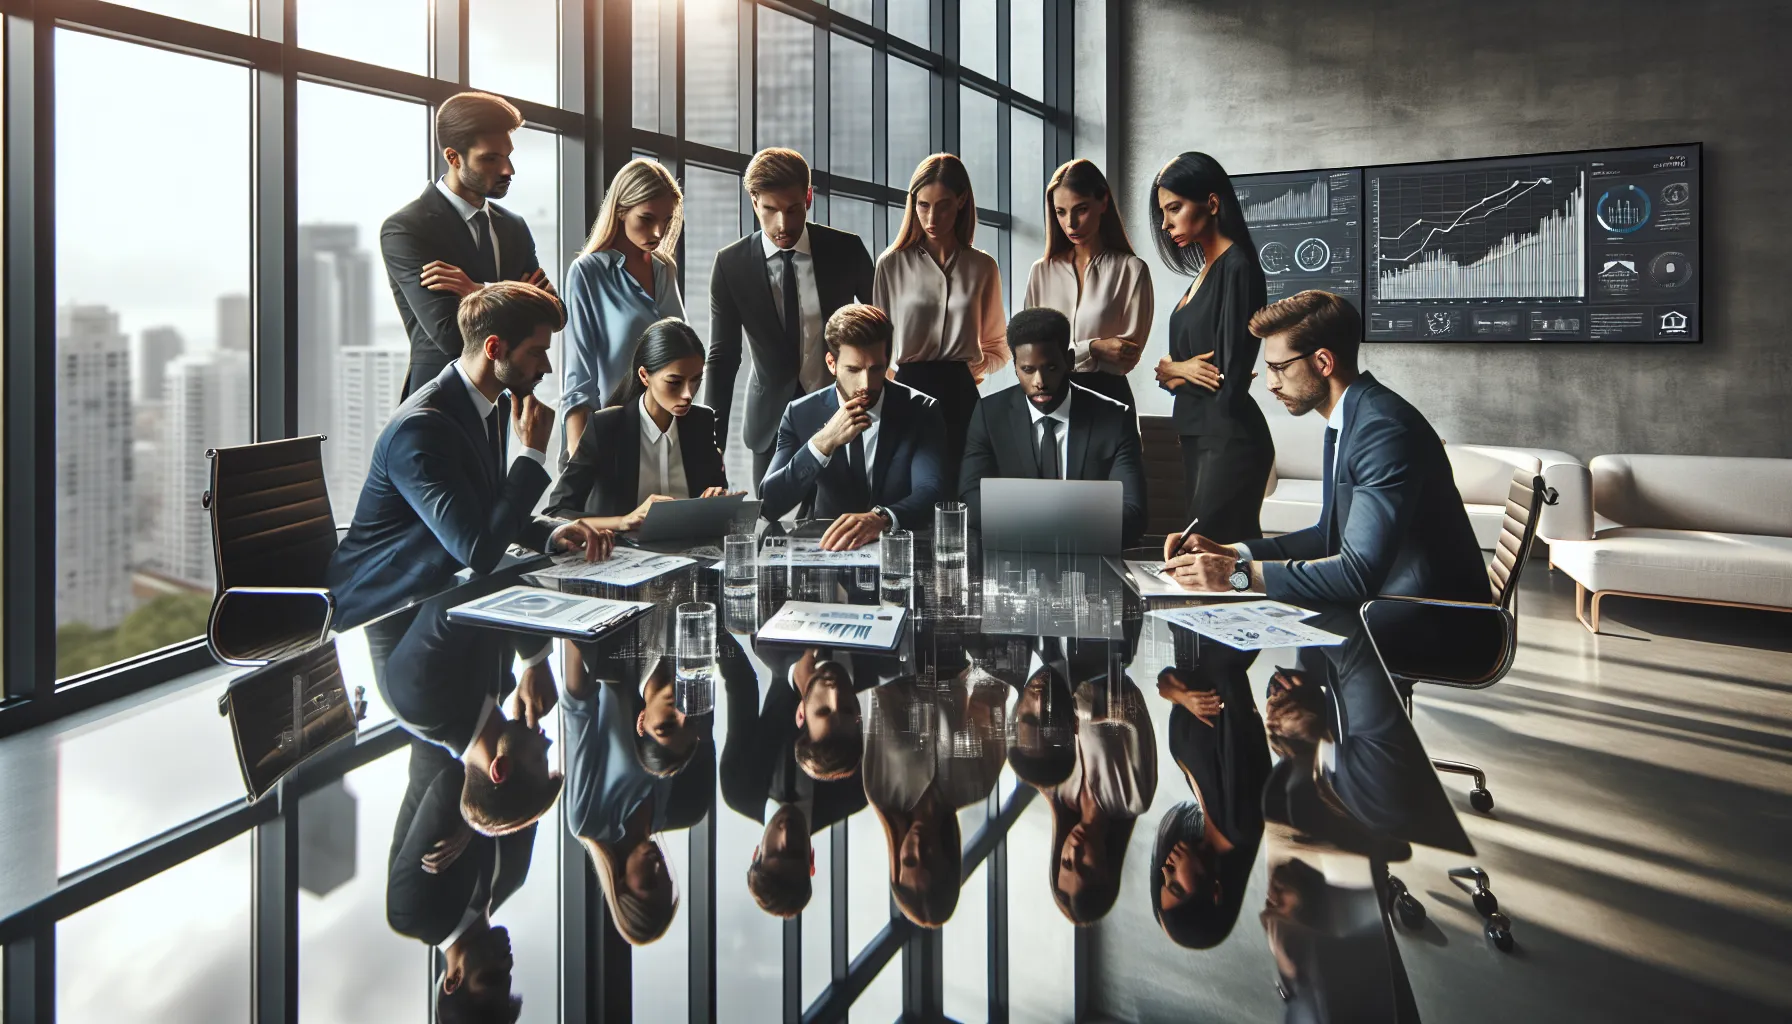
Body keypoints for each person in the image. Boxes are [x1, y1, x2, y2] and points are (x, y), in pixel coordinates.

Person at [1162, 290, 1488, 606]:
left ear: (1323, 362)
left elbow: (1357, 575)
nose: (1270, 384)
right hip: (1392, 604)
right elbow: (1326, 536)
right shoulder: (1352, 418)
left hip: (1429, 620)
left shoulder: (1382, 431)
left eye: (1280, 368)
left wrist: (1236, 574)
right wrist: (1233, 553)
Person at [326, 282, 611, 631]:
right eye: (536, 353)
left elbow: (485, 510)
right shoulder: (421, 429)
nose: (546, 368)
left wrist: (550, 534)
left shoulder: (495, 406)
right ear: (494, 348)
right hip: (383, 609)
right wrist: (532, 452)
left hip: (444, 595)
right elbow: (478, 550)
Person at [707, 148, 878, 489]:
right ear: (754, 201)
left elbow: (881, 328)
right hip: (769, 424)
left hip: (842, 413)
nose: (782, 225)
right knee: (769, 525)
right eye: (769, 210)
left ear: (809, 197)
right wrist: (711, 442)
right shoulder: (731, 265)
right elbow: (723, 358)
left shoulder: (846, 250)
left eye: (792, 209)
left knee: (836, 527)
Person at [382, 91, 554, 399]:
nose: (508, 171)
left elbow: (555, 315)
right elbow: (450, 336)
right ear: (453, 157)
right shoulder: (408, 228)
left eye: (508, 156)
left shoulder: (513, 226)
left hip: (499, 401)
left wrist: (478, 291)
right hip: (438, 403)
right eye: (490, 158)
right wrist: (521, 294)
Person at [1149, 151, 1275, 543]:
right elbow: (1176, 370)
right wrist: (1174, 370)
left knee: (1210, 551)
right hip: (1199, 435)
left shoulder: (1238, 266)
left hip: (1228, 438)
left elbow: (1226, 376)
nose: (1167, 224)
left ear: (1213, 203)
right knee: (1210, 555)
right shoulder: (1206, 270)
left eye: (1174, 208)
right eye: (1163, 213)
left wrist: (1173, 370)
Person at [759, 304, 950, 551]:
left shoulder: (921, 410)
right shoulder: (799, 414)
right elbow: (769, 503)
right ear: (831, 363)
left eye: (876, 369)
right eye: (853, 369)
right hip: (825, 551)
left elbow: (931, 490)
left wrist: (881, 518)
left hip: (898, 549)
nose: (866, 383)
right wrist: (822, 443)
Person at [958, 308, 1148, 547]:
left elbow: (1133, 513)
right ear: (1015, 366)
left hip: (1090, 562)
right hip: (1013, 560)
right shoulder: (989, 414)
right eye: (1027, 370)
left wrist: (1043, 527)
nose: (1040, 382)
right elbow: (972, 502)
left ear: (1069, 361)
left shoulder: (1115, 418)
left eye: (1050, 368)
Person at [873, 154, 1007, 478]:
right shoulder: (890, 264)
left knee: (961, 493)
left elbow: (999, 349)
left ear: (962, 201)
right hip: (906, 392)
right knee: (908, 491)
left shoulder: (982, 266)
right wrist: (896, 384)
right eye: (923, 205)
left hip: (962, 398)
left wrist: (968, 368)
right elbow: (876, 347)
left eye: (943, 205)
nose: (932, 217)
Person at [386, 741, 533, 1024]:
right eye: (509, 978)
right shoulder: (514, 874)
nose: (507, 963)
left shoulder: (412, 912)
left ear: (453, 980)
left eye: (492, 977)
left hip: (438, 707)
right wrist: (476, 818)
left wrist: (478, 817)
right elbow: (533, 775)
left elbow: (449, 783)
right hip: (497, 701)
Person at [543, 318, 737, 531]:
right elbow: (556, 514)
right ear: (645, 375)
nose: (688, 394)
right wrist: (624, 521)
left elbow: (716, 493)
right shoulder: (606, 427)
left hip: (691, 550)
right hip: (622, 556)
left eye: (696, 380)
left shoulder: (702, 422)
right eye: (675, 382)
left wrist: (717, 499)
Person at [561, 158, 686, 454]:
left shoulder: (664, 269)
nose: (658, 233)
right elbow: (579, 381)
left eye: (666, 221)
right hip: (611, 439)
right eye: (646, 219)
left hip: (668, 433)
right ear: (620, 211)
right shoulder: (587, 272)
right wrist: (581, 467)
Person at [1024, 159, 1154, 409]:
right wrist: (1094, 348)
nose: (1070, 223)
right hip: (1051, 401)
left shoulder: (1132, 270)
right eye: (1060, 212)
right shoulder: (1041, 271)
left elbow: (1124, 358)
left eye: (1080, 209)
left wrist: (1065, 354)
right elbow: (1030, 354)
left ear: (1103, 202)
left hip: (1110, 401)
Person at [1044, 673, 1158, 924]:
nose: (1073, 851)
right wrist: (1090, 713)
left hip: (1055, 661)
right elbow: (1135, 707)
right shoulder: (1134, 798)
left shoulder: (1059, 791)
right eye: (1084, 867)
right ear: (1106, 872)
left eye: (1066, 862)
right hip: (1103, 656)